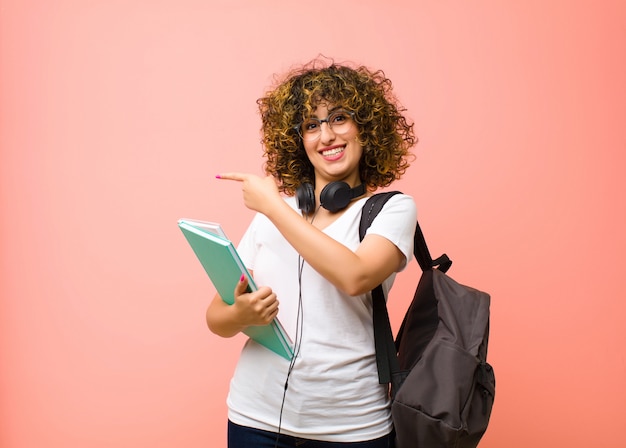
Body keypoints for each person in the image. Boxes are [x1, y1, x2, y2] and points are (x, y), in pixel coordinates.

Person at [208, 58, 417, 448]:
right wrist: (240, 314)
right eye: (311, 125)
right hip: (254, 419)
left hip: (352, 429)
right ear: (299, 141)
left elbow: (355, 276)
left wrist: (273, 208)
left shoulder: (392, 209)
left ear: (366, 129)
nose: (326, 136)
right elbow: (215, 318)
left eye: (339, 118)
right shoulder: (275, 211)